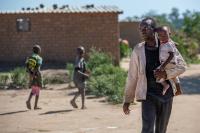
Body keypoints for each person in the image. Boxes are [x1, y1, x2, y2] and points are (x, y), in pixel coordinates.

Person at [123, 18, 186, 133]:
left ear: (154, 29)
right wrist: (127, 99)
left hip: (166, 95)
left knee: (161, 130)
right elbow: (132, 76)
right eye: (140, 29)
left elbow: (182, 66)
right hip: (148, 95)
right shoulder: (138, 50)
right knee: (147, 129)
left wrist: (166, 74)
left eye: (145, 28)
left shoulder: (168, 45)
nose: (142, 31)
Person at [155, 26, 183, 96]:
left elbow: (171, 55)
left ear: (169, 34)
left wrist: (163, 65)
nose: (162, 37)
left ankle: (165, 85)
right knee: (174, 76)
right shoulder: (165, 43)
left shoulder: (169, 44)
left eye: (165, 35)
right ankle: (178, 90)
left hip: (168, 63)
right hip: (170, 63)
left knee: (156, 73)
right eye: (160, 36)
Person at [26, 44, 43, 110]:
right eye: (40, 49)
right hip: (37, 74)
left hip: (31, 74)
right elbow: (37, 67)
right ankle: (34, 105)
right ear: (39, 51)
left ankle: (30, 101)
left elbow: (27, 68)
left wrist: (31, 77)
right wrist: (36, 75)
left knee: (34, 89)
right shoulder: (39, 58)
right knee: (37, 89)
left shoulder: (29, 57)